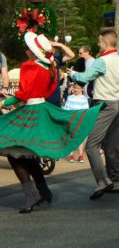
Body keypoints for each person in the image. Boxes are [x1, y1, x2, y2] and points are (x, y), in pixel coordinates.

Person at [0, 32, 100, 212]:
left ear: (33, 51)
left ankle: (32, 195)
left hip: (31, 111)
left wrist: (4, 102)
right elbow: (47, 91)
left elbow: (23, 94)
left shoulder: (30, 67)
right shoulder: (50, 68)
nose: (26, 50)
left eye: (28, 48)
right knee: (27, 155)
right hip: (41, 109)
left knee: (14, 152)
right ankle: (43, 192)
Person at [70, 27, 119, 199]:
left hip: (104, 104)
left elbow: (84, 78)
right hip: (116, 102)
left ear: (106, 43)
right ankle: (116, 180)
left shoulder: (101, 61)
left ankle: (102, 181)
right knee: (111, 145)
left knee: (91, 145)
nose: (98, 44)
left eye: (100, 41)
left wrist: (72, 73)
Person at [63, 82, 90, 162]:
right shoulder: (70, 97)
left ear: (82, 89)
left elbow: (85, 110)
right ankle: (71, 155)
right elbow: (66, 108)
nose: (75, 89)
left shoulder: (84, 99)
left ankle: (81, 155)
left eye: (78, 88)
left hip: (79, 120)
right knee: (71, 137)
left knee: (80, 138)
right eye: (74, 88)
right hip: (71, 120)